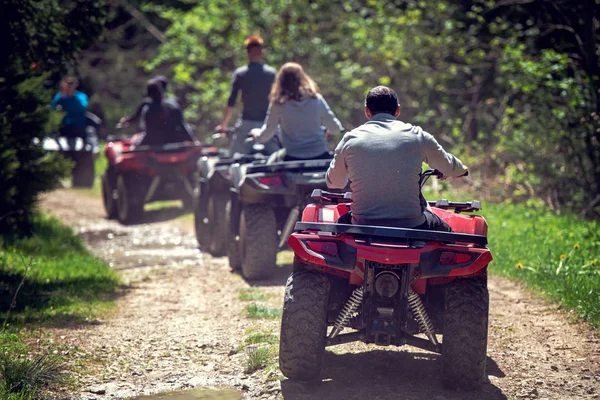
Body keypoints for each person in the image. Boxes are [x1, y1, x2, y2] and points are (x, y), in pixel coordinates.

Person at [326, 86, 468, 232]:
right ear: (398, 110)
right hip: (412, 225)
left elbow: (334, 183)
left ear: (367, 111)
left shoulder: (350, 139)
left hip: (362, 225)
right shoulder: (417, 135)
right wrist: (462, 170)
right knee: (450, 236)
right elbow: (449, 165)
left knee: (335, 233)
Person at [250, 62, 343, 160]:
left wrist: (257, 135)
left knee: (271, 161)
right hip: (320, 154)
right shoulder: (316, 100)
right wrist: (327, 130)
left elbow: (267, 133)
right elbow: (336, 129)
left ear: (280, 81)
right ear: (303, 78)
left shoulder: (278, 104)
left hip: (292, 156)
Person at [217, 36, 280, 154]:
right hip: (268, 125)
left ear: (247, 53)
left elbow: (231, 101)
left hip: (246, 124)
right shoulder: (271, 74)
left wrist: (223, 126)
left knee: (235, 158)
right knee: (277, 157)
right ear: (262, 52)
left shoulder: (241, 74)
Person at [138, 79, 195, 146]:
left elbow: (149, 133)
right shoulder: (173, 106)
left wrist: (138, 145)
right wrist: (193, 141)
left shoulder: (148, 111)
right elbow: (183, 126)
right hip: (175, 141)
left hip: (157, 144)